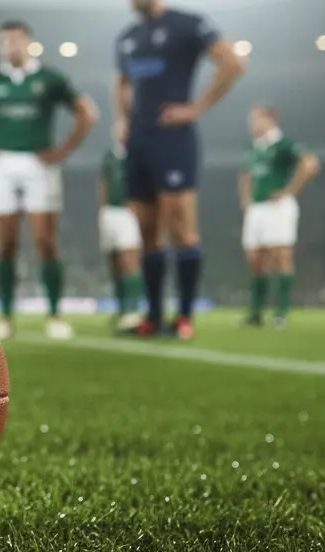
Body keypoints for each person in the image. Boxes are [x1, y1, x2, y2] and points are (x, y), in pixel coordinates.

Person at [0, 20, 98, 340]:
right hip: (1, 164)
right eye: (5, 41)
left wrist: (65, 149)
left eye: (17, 40)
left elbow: (87, 112)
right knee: (4, 245)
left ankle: (55, 315)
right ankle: (5, 317)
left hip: (39, 164)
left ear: (30, 43)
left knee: (46, 241)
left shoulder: (51, 78)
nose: (11, 46)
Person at [113, 0, 244, 338]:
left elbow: (231, 62)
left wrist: (196, 107)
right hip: (138, 143)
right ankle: (153, 317)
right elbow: (122, 83)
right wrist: (122, 120)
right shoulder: (127, 37)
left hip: (173, 138)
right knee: (146, 232)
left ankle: (184, 317)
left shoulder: (188, 23)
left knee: (181, 226)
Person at [240, 104, 320, 328]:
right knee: (255, 259)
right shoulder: (252, 148)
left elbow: (310, 164)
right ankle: (255, 314)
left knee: (281, 256)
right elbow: (245, 175)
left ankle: (281, 312)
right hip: (257, 209)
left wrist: (290, 190)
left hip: (278, 208)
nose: (251, 125)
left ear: (270, 120)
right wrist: (245, 200)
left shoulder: (285, 144)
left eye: (255, 120)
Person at [98, 124, 144, 330]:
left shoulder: (137, 155)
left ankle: (134, 310)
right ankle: (121, 308)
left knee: (130, 260)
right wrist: (101, 211)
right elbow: (103, 183)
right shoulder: (109, 156)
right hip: (109, 213)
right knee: (114, 263)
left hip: (129, 212)